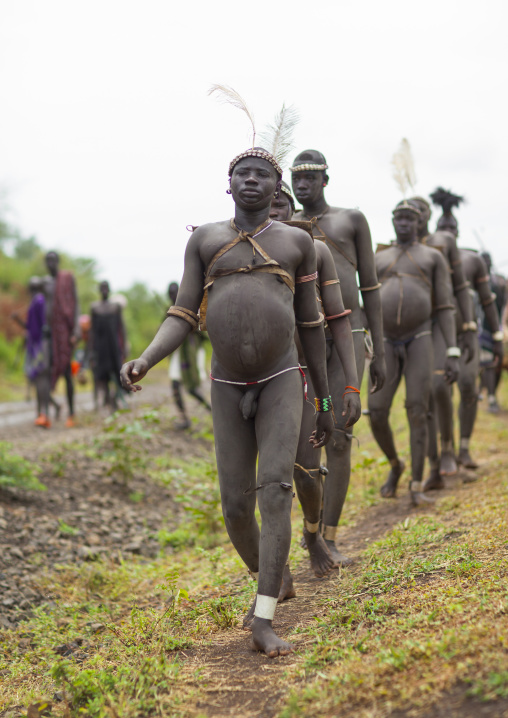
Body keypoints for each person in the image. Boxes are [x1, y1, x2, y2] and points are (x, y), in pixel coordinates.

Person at [121, 147, 334, 657]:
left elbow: (311, 323)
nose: (253, 181)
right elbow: (182, 312)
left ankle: (263, 621)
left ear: (276, 185)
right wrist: (146, 359)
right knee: (236, 507)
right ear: (229, 183)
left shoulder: (297, 243)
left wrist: (324, 399)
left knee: (275, 490)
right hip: (226, 384)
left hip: (282, 377)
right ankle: (273, 576)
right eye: (244, 174)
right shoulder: (205, 240)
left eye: (263, 174)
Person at [290, 150, 386, 564]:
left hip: (351, 335)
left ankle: (330, 535)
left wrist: (377, 349)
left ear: (326, 180)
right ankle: (312, 532)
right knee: (311, 433)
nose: (303, 184)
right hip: (306, 339)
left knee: (342, 435)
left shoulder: (351, 220)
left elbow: (370, 287)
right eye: (297, 178)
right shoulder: (284, 225)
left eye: (310, 178)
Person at [269, 181, 361, 595]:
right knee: (272, 476)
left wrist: (349, 384)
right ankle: (276, 568)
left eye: (282, 206)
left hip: (311, 375)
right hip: (267, 376)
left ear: (293, 213)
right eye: (269, 208)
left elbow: (338, 318)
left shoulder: (311, 253)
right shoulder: (237, 255)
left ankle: (314, 535)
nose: (275, 213)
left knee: (307, 469)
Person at [368, 201, 459, 505]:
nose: (404, 223)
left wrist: (454, 349)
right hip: (386, 341)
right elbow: (367, 300)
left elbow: (445, 306)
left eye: (410, 218)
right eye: (399, 218)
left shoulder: (433, 257)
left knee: (417, 409)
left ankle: (417, 484)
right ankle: (396, 464)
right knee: (377, 410)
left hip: (420, 336)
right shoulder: (380, 258)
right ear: (393, 221)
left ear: (420, 223)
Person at [408, 195, 476, 483]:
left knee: (439, 384)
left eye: (422, 211)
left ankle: (449, 448)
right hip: (414, 324)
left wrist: (469, 328)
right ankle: (432, 463)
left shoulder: (444, 242)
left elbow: (460, 289)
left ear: (429, 214)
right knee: (420, 397)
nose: (417, 216)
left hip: (442, 321)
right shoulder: (399, 246)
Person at [11, 277, 58, 427]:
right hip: (33, 347)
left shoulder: (39, 301)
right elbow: (30, 328)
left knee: (41, 379)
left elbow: (44, 326)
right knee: (37, 380)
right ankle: (43, 412)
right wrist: (17, 321)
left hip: (41, 347)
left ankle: (44, 414)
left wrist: (44, 347)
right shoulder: (34, 303)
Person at [167, 281, 211, 429]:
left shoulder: (191, 308)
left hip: (191, 353)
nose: (172, 296)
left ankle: (211, 410)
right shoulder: (170, 311)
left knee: (192, 388)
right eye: (170, 293)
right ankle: (184, 418)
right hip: (178, 354)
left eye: (174, 293)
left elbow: (202, 331)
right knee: (175, 384)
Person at [43, 251, 80, 427]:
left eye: (53, 260)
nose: (50, 263)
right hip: (49, 334)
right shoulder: (45, 283)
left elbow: (76, 303)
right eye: (48, 261)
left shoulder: (67, 279)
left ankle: (71, 414)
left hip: (65, 332)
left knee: (66, 372)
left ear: (57, 261)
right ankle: (45, 414)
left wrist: (77, 330)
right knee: (45, 372)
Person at [89, 281, 127, 411]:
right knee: (102, 375)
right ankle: (107, 400)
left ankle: (114, 398)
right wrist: (91, 350)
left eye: (106, 288)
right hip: (100, 347)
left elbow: (121, 328)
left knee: (117, 373)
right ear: (99, 290)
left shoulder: (115, 307)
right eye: (102, 288)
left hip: (113, 346)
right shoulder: (94, 308)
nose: (104, 291)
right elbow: (92, 331)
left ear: (109, 290)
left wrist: (125, 345)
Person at [478, 252, 506, 413]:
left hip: (491, 328)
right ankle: (484, 394)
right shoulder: (475, 282)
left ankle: (490, 396)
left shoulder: (496, 283)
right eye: (483, 261)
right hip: (478, 329)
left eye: (488, 261)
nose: (486, 264)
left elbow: (500, 305)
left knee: (490, 364)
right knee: (483, 364)